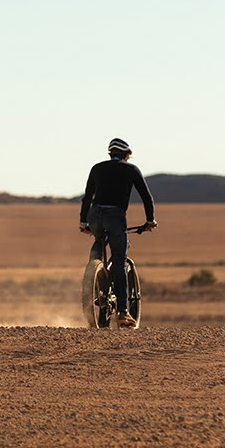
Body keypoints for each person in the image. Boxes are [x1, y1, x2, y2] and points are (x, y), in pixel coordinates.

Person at [80, 138, 157, 328]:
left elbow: (87, 197)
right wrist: (150, 221)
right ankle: (123, 311)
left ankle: (95, 273)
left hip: (95, 214)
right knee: (119, 259)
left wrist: (83, 222)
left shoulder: (97, 168)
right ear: (126, 155)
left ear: (110, 153)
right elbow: (146, 197)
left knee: (99, 240)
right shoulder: (131, 169)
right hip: (115, 216)